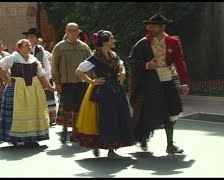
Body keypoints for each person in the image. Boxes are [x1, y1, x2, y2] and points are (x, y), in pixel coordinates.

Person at [128, 13, 190, 154]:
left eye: (154, 25)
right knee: (147, 112)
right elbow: (132, 61)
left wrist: (184, 82)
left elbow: (180, 62)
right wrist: (147, 65)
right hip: (150, 82)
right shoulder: (143, 43)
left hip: (168, 79)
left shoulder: (173, 42)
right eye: (150, 25)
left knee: (172, 111)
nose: (150, 28)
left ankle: (170, 144)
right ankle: (143, 140)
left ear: (162, 27)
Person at [75, 30, 134, 159]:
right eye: (112, 38)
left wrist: (123, 73)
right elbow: (79, 71)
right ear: (105, 41)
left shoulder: (114, 55)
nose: (114, 41)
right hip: (102, 92)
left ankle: (111, 149)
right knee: (105, 118)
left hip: (116, 91)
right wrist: (91, 81)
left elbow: (121, 65)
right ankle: (101, 145)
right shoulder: (95, 57)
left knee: (117, 117)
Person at [0, 39, 56, 147]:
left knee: (32, 112)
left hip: (33, 89)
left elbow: (41, 75)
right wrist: (6, 79)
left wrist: (50, 87)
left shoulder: (34, 60)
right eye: (26, 45)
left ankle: (31, 138)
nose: (29, 47)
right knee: (16, 113)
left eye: (30, 45)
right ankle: (15, 138)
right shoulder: (13, 58)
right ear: (19, 48)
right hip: (16, 88)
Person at [52, 22, 92, 143]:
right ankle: (64, 129)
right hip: (67, 82)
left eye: (76, 30)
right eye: (71, 30)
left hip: (81, 82)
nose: (73, 33)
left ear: (79, 31)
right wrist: (57, 82)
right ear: (66, 31)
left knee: (78, 108)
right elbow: (54, 66)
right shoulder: (59, 47)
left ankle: (75, 132)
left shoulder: (84, 47)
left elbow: (91, 64)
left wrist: (91, 81)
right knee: (67, 107)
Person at [23, 28, 57, 125]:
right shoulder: (21, 50)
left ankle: (50, 117)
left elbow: (45, 64)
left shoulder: (40, 49)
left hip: (41, 76)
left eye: (33, 37)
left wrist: (46, 78)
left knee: (48, 96)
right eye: (29, 37)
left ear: (36, 39)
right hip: (28, 78)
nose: (31, 39)